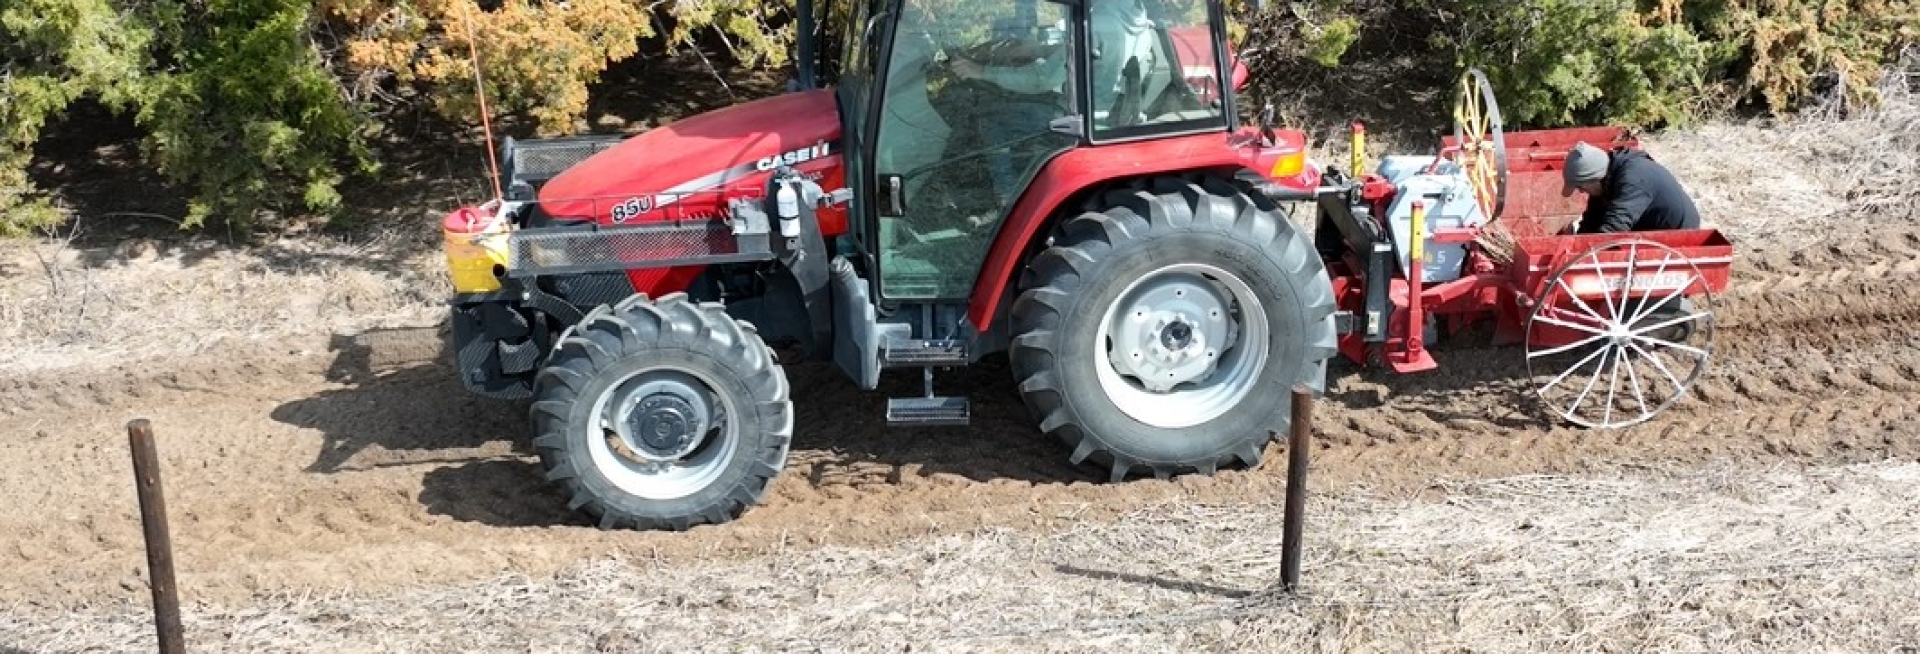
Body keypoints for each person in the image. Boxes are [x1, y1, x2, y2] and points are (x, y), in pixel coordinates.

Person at [1562, 141, 1702, 234]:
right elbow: (1594, 219)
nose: (1581, 191)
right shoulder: (1607, 177)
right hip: (1650, 227)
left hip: (1677, 235)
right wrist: (1578, 242)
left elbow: (1615, 227)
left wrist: (1584, 258)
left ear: (1593, 179)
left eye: (1581, 186)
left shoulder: (1633, 179)